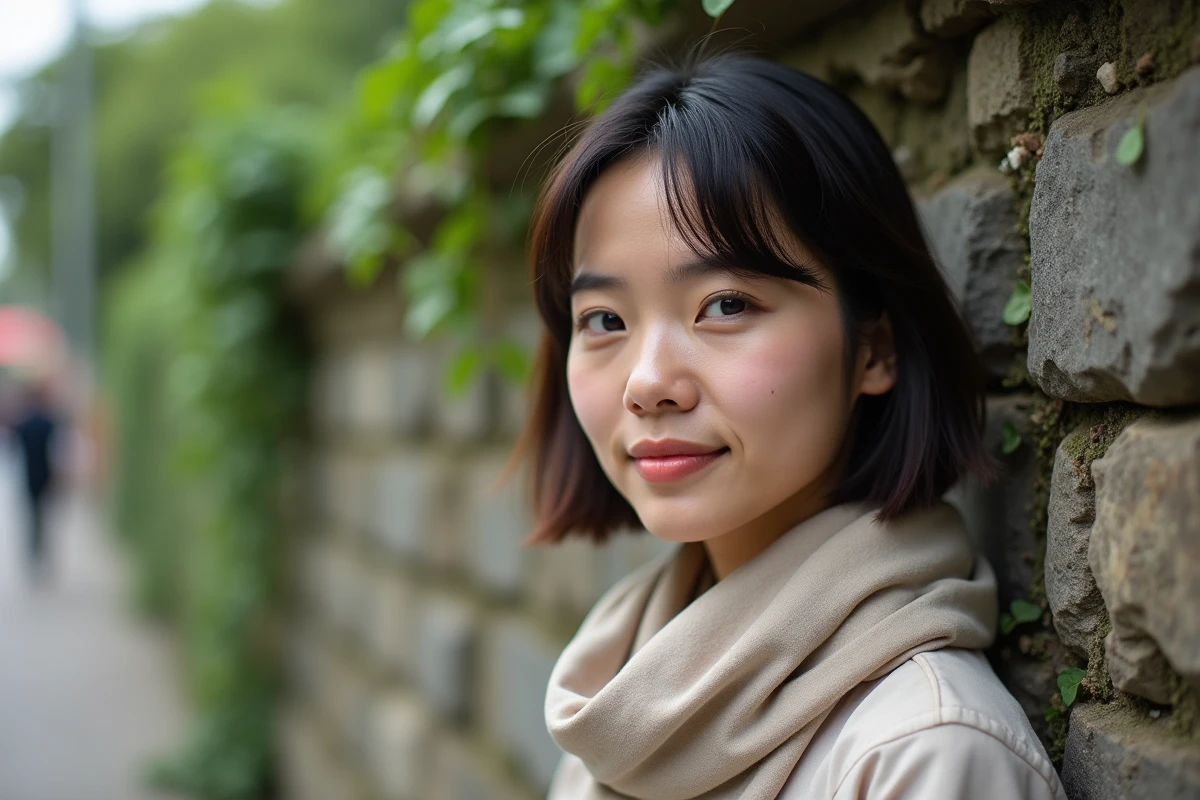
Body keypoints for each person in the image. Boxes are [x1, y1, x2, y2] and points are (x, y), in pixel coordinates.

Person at [508, 50, 1067, 799]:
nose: (647, 384)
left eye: (727, 305)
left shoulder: (924, 757)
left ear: (874, 346)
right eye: (604, 319)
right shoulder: (618, 702)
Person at [10, 379, 60, 584]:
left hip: (29, 477)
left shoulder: (24, 425)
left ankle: (33, 554)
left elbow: (14, 445)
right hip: (46, 475)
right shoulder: (49, 423)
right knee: (44, 518)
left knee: (32, 518)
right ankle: (43, 554)